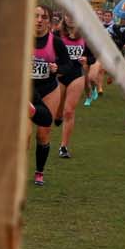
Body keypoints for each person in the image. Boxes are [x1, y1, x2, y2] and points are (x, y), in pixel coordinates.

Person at [28, 5, 77, 187]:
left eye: (44, 17)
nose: (39, 20)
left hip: (48, 90)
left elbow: (68, 65)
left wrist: (58, 69)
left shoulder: (55, 42)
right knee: (24, 135)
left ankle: (39, 172)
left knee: (43, 133)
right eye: (36, 16)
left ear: (49, 21)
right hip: (26, 91)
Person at [53, 12, 87, 157]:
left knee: (69, 111)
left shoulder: (85, 33)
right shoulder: (57, 33)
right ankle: (57, 116)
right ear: (64, 17)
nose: (71, 18)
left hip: (76, 75)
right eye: (68, 15)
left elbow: (93, 54)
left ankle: (64, 147)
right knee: (58, 111)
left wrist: (87, 59)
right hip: (60, 74)